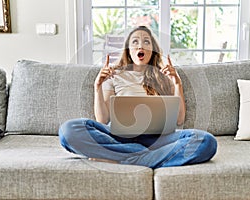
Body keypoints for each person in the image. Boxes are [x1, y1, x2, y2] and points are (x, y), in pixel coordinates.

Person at [58, 26, 217, 169]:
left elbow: (179, 119)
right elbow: (102, 120)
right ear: (128, 49)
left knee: (206, 141)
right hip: (119, 138)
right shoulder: (114, 76)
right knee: (68, 130)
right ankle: (146, 157)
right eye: (135, 42)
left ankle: (121, 159)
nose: (140, 45)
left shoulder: (164, 76)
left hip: (159, 140)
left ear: (153, 49)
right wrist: (97, 86)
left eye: (146, 42)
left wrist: (177, 84)